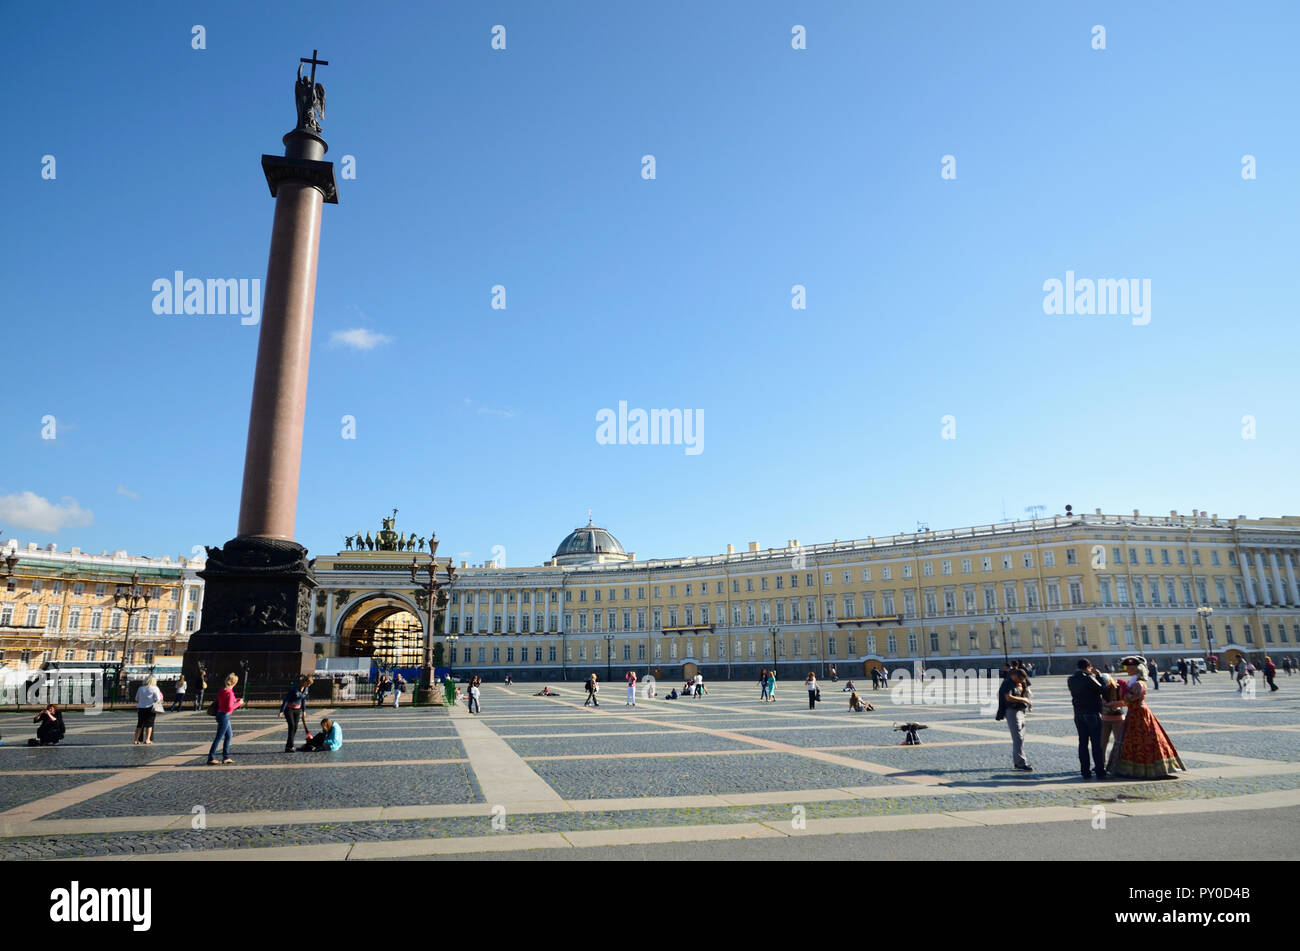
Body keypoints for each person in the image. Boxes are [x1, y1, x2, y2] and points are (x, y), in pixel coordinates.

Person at [1111, 659, 1185, 779]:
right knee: (1132, 741)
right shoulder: (1132, 682)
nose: (1127, 670)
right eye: (1127, 668)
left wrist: (1122, 691)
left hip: (1140, 714)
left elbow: (1130, 698)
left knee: (1146, 740)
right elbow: (1127, 701)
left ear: (1136, 669)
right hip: (1133, 713)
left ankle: (1153, 769)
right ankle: (1132, 769)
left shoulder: (1139, 683)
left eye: (1129, 668)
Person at [1067, 658, 1107, 780]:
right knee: (1096, 744)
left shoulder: (1071, 679)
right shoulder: (1088, 678)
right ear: (1089, 666)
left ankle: (1085, 771)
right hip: (1092, 713)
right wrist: (1099, 676)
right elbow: (1102, 689)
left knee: (1083, 743)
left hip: (1078, 714)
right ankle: (1100, 771)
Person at [998, 667, 1033, 771]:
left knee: (1020, 737)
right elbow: (1008, 697)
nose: (1021, 682)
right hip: (1012, 712)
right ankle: (1020, 763)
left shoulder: (1017, 683)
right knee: (1017, 737)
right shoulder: (1007, 683)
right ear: (1014, 676)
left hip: (1020, 711)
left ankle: (1018, 761)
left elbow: (1021, 692)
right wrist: (1024, 699)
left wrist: (1022, 690)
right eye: (1020, 679)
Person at [207, 673, 244, 765]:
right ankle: (211, 758)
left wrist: (236, 700)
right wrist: (239, 703)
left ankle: (226, 757)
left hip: (220, 714)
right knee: (219, 737)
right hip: (225, 716)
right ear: (234, 682)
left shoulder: (223, 690)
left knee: (229, 735)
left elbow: (223, 702)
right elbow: (229, 708)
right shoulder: (230, 693)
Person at [1099, 673, 1127, 768]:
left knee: (1119, 742)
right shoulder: (1099, 687)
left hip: (1118, 718)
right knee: (1102, 742)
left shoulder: (1118, 687)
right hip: (1105, 718)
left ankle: (1119, 763)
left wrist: (1112, 704)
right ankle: (1101, 763)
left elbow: (1125, 702)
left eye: (1106, 683)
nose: (1105, 685)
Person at [279, 675, 312, 753]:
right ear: (304, 682)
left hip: (298, 710)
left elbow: (303, 700)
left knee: (295, 727)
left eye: (310, 684)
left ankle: (288, 746)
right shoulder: (294, 688)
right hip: (289, 709)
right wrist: (281, 711)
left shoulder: (306, 689)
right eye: (308, 684)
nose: (309, 685)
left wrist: (304, 711)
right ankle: (291, 746)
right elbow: (286, 699)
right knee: (292, 726)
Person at [134, 675, 163, 746]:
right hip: (151, 708)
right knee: (149, 725)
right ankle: (147, 739)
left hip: (141, 708)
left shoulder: (140, 688)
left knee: (139, 724)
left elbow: (136, 698)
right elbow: (158, 699)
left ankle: (136, 740)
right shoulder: (155, 688)